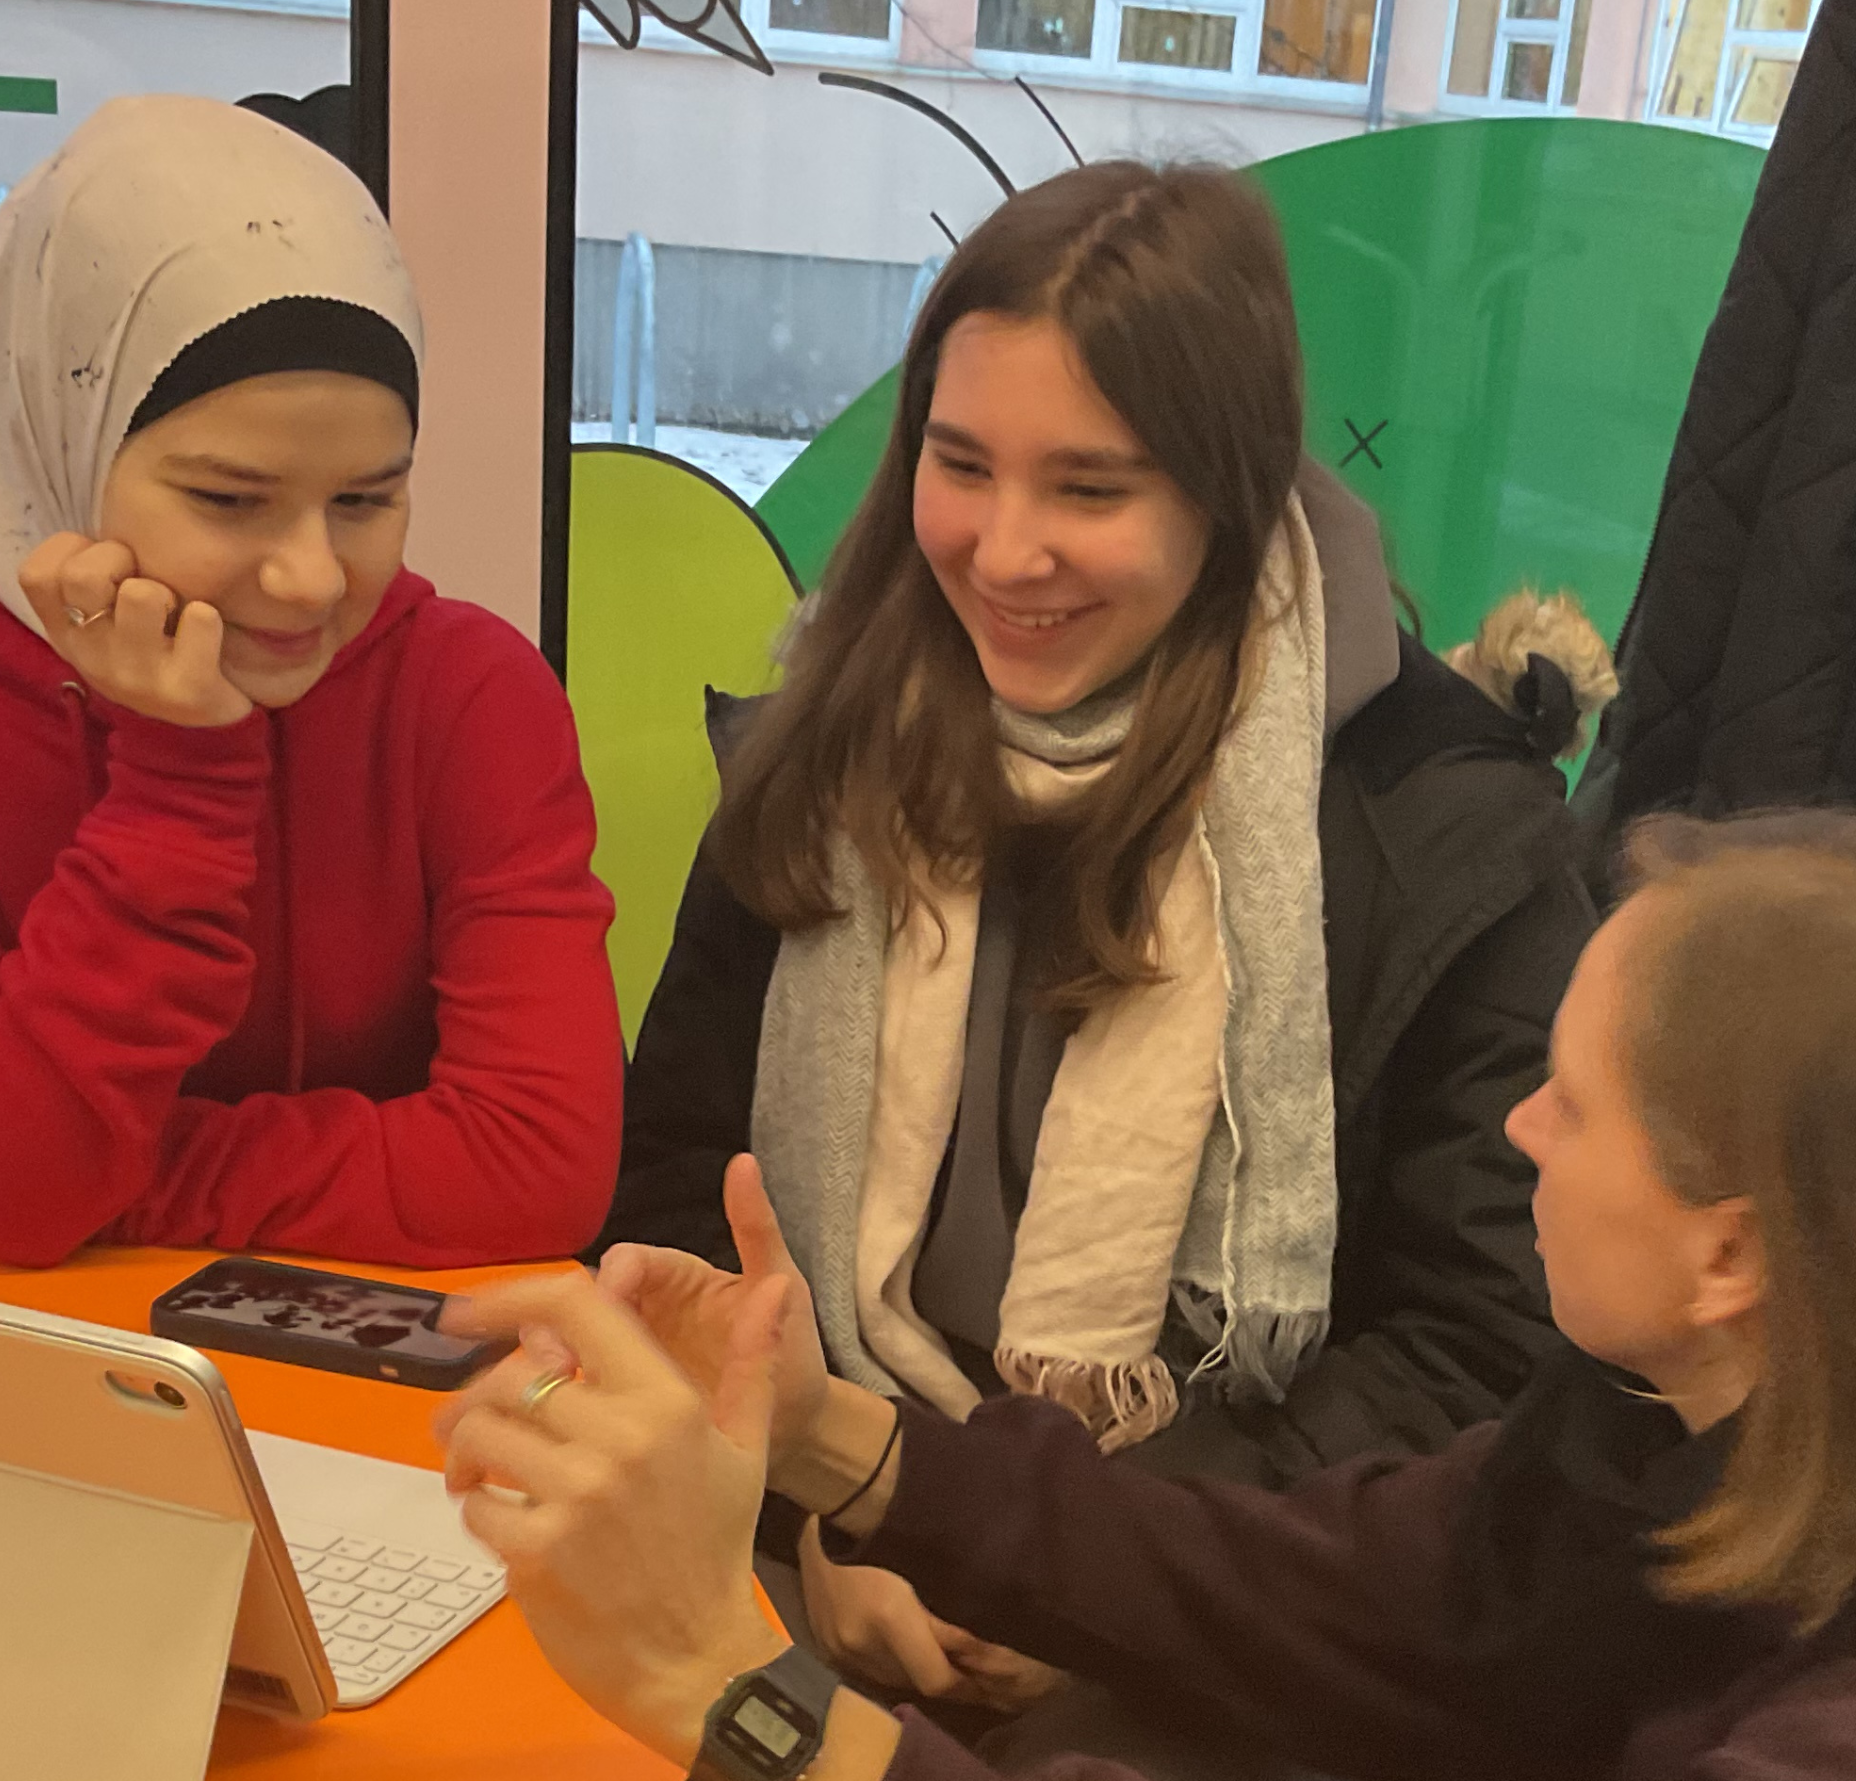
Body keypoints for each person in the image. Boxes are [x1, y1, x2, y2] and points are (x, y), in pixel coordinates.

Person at [445, 812, 1856, 1781]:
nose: (1519, 1126)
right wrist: (839, 1438)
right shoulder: (1830, 1360)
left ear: (1733, 1248)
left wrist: (727, 1685)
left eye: (1571, 1102)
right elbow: (1358, 1588)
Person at [595, 158, 1602, 1725]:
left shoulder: (1446, 831)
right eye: (962, 465)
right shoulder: (819, 754)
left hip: (1235, 1617)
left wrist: (1073, 1567)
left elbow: (1480, 1357)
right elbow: (673, 1202)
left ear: (1227, 489)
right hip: (807, 1550)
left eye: (1090, 488)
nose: (1006, 552)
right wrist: (825, 1507)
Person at [0, 97, 622, 1269]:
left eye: (365, 499)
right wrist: (182, 775)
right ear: (59, 441)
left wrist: (95, 1186)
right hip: (21, 1358)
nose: (311, 577)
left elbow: (540, 1169)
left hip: (388, 1362)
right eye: (230, 498)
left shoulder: (470, 693)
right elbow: (10, 1180)